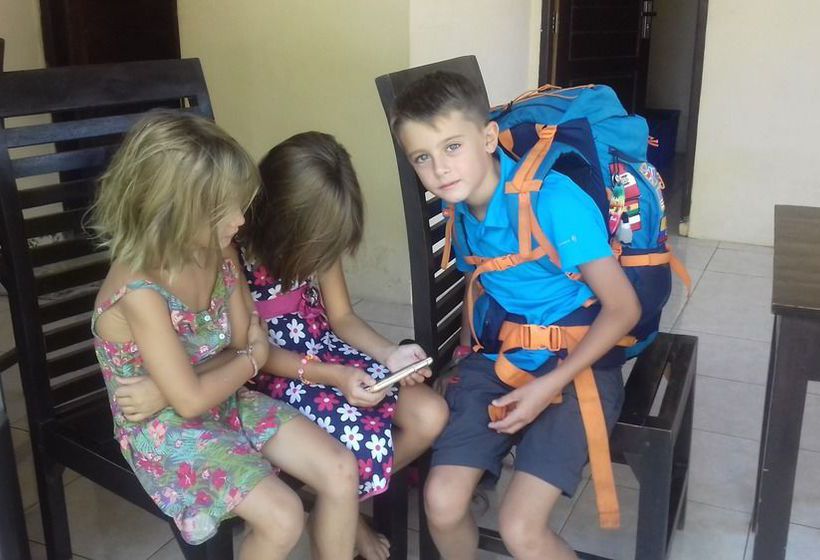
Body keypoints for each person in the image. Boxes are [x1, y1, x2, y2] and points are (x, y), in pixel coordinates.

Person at [390, 72, 641, 559]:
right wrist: (459, 360)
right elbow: (482, 287)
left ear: (488, 137)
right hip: (502, 358)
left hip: (578, 365)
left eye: (452, 147)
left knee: (519, 528)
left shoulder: (554, 201)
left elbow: (623, 308)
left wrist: (548, 386)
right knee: (441, 502)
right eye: (422, 157)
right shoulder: (461, 209)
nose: (440, 169)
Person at [90, 111, 359, 560]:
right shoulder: (140, 291)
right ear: (173, 211)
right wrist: (250, 360)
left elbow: (238, 344)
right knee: (283, 516)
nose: (240, 218)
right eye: (224, 209)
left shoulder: (219, 249)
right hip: (161, 428)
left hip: (221, 396)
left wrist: (210, 372)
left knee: (340, 468)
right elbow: (202, 391)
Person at [238, 131, 449, 560]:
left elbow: (342, 317)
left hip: (325, 349)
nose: (322, 255)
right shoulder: (234, 253)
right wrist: (335, 376)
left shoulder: (317, 230)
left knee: (431, 414)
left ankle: (337, 509)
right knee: (354, 450)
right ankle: (341, 512)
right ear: (280, 217)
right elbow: (251, 355)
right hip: (275, 371)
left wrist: (389, 354)